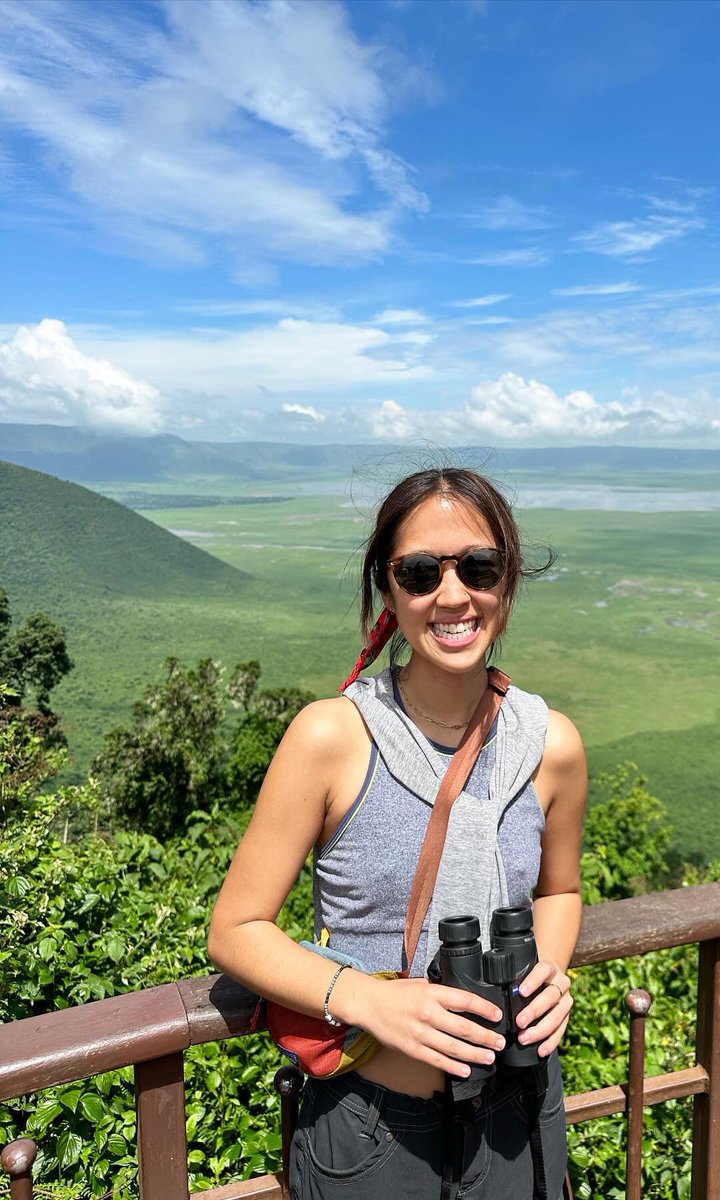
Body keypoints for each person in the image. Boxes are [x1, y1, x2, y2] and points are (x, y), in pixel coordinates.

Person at [208, 467, 588, 1200]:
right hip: (374, 1126)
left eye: (478, 568)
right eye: (420, 573)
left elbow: (560, 891)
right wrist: (367, 999)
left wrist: (552, 972)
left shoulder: (552, 744)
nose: (452, 596)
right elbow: (236, 928)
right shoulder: (332, 736)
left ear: (507, 582)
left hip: (519, 1104)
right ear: (388, 589)